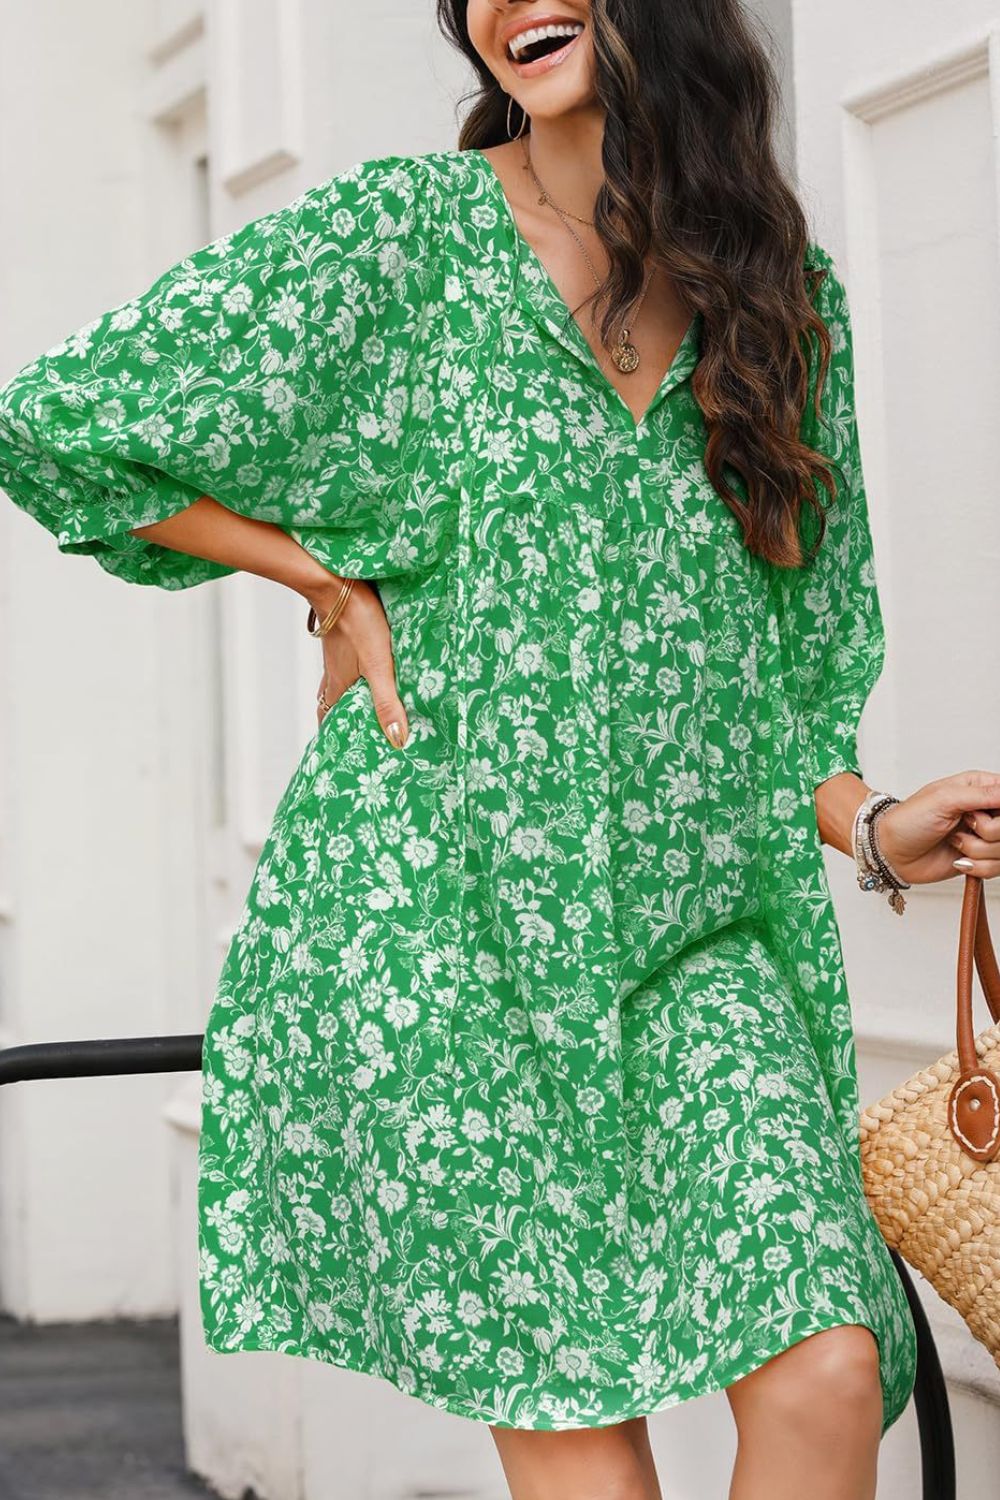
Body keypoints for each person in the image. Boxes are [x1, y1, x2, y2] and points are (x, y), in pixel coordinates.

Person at [1, 2, 998, 1496]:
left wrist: (870, 824)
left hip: (695, 939)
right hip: (446, 936)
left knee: (828, 1369)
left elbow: (778, 686)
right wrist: (325, 579)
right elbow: (58, 422)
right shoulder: (402, 242)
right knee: (584, 1446)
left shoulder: (779, 301)